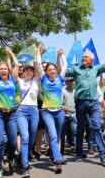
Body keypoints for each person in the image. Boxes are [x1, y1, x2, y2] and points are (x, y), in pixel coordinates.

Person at [65, 48, 105, 167]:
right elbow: (62, 72)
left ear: (92, 60)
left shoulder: (96, 69)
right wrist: (60, 57)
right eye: (82, 57)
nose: (83, 58)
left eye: (86, 57)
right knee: (80, 129)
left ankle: (103, 157)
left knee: (97, 127)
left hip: (94, 103)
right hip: (80, 103)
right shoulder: (76, 70)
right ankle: (79, 154)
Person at [0, 42, 19, 177]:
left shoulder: (13, 79)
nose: (3, 70)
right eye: (1, 69)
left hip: (12, 114)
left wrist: (10, 54)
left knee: (12, 142)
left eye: (5, 68)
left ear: (8, 70)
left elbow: (17, 65)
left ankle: (11, 158)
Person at [36, 44, 66, 173]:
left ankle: (53, 153)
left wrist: (60, 55)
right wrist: (39, 51)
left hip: (59, 112)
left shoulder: (60, 78)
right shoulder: (44, 80)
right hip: (47, 112)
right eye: (50, 70)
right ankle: (58, 162)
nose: (53, 71)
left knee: (57, 136)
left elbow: (65, 66)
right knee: (53, 135)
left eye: (54, 69)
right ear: (47, 72)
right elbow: (38, 64)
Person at [11, 49, 40, 177]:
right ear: (24, 72)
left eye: (31, 70)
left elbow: (38, 65)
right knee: (25, 137)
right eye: (26, 70)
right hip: (22, 110)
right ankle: (25, 165)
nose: (28, 72)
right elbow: (14, 73)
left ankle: (22, 157)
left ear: (33, 73)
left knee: (31, 139)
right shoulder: (20, 81)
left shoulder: (36, 81)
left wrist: (38, 52)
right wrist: (13, 57)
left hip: (34, 111)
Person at [61, 77, 77, 155]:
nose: (70, 83)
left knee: (75, 131)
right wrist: (63, 107)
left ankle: (75, 148)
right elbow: (59, 103)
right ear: (66, 82)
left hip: (73, 115)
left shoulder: (75, 91)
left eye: (71, 81)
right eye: (69, 81)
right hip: (64, 115)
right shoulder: (62, 91)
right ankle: (61, 149)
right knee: (62, 133)